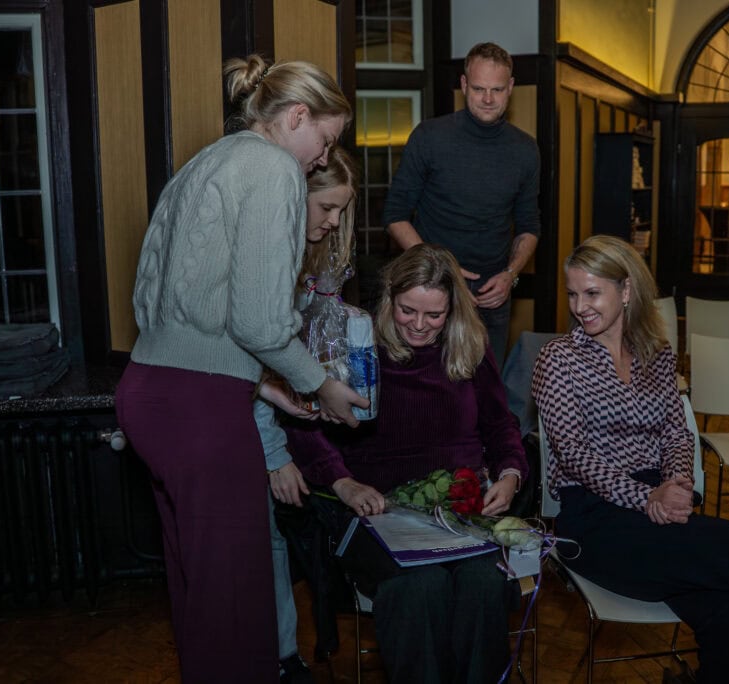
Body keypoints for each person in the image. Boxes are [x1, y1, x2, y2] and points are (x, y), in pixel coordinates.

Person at [114, 55, 367, 683]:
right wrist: (319, 385)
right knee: (236, 599)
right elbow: (257, 323)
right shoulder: (273, 167)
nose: (321, 158)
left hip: (150, 391)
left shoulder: (207, 160)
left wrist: (263, 388)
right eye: (326, 140)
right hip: (198, 409)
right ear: (297, 116)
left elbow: (191, 311)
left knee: (200, 588)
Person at [532, 235, 729, 683]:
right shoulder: (558, 359)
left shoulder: (657, 353)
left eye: (592, 293)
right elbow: (572, 454)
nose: (579, 306)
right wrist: (648, 497)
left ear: (626, 290)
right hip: (594, 521)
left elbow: (676, 432)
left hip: (658, 509)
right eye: (573, 294)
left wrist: (677, 483)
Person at [285, 243, 528, 684]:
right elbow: (305, 428)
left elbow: (500, 424)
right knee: (419, 587)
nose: (418, 325)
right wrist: (343, 482)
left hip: (458, 507)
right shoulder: (357, 346)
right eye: (407, 310)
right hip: (377, 510)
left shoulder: (469, 347)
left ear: (452, 311)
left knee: (484, 583)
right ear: (389, 299)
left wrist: (510, 473)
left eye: (434, 315)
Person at [255, 146, 359, 684]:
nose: (335, 221)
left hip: (281, 408)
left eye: (342, 210)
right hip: (249, 424)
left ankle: (288, 651)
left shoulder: (313, 256)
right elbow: (248, 366)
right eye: (327, 208)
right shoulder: (266, 260)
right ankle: (279, 657)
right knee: (266, 543)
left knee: (288, 539)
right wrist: (274, 455)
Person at [382, 41, 540, 368]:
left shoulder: (526, 150)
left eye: (497, 89)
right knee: (427, 384)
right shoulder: (429, 137)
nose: (488, 98)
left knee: (485, 387)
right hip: (430, 289)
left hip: (491, 295)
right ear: (464, 84)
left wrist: (511, 275)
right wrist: (443, 270)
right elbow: (395, 215)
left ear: (511, 87)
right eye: (479, 88)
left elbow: (529, 225)